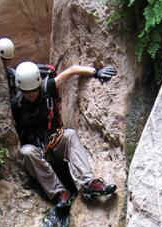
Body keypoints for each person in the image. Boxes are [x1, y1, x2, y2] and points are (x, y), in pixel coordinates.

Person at [11, 61, 118, 207]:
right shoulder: (16, 105)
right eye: (27, 93)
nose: (31, 95)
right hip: (37, 151)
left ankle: (88, 183)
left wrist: (96, 72)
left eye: (34, 91)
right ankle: (59, 193)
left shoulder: (47, 87)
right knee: (26, 152)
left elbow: (72, 70)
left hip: (55, 142)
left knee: (70, 135)